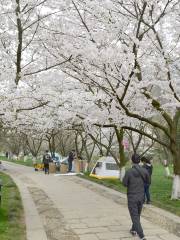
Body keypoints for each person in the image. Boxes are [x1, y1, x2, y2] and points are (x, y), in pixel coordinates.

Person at [123, 153, 150, 240]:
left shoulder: (129, 171)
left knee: (135, 216)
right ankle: (133, 229)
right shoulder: (145, 171)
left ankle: (142, 236)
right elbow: (148, 182)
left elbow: (124, 184)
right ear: (139, 161)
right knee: (137, 215)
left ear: (132, 161)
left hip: (132, 197)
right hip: (141, 197)